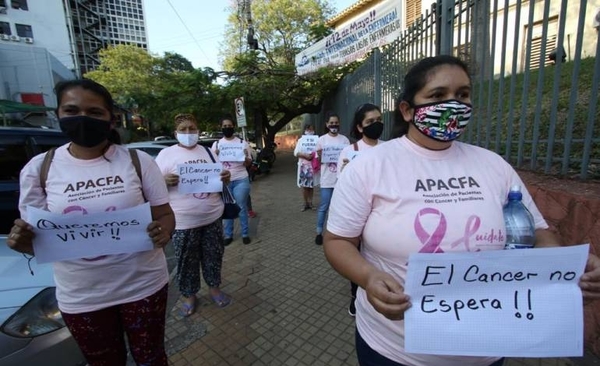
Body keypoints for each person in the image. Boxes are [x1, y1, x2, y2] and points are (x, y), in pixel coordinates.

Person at [323, 55, 600, 366]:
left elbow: (538, 233)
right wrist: (368, 276)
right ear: (407, 109)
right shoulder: (370, 167)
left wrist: (565, 268)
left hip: (489, 347)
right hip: (395, 350)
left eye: (463, 95)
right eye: (438, 95)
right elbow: (337, 242)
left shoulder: (493, 165)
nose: (453, 104)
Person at [6, 79, 175, 366]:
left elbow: (165, 214)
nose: (82, 119)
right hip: (82, 297)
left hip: (144, 286)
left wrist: (165, 232)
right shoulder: (38, 169)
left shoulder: (138, 161)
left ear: (111, 119)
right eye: (71, 110)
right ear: (58, 114)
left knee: (152, 358)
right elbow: (39, 242)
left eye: (94, 112)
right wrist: (23, 243)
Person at [154, 113, 232, 316]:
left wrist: (226, 177)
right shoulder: (165, 155)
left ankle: (214, 288)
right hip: (182, 222)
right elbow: (151, 187)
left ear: (197, 130)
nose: (188, 133)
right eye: (183, 129)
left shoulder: (208, 151)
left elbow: (222, 177)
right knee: (186, 260)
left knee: (214, 255)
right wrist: (163, 181)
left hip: (212, 217)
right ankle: (189, 295)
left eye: (191, 129)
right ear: (176, 132)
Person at [336, 103, 385, 317]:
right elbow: (341, 185)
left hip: (382, 213)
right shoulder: (349, 151)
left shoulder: (388, 148)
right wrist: (347, 174)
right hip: (358, 215)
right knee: (357, 258)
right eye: (370, 122)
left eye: (379, 120)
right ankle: (356, 296)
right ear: (359, 127)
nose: (376, 124)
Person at [212, 116, 254, 245]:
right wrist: (216, 155)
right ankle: (228, 235)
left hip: (240, 179)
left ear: (233, 126)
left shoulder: (242, 143)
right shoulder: (217, 144)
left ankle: (245, 233)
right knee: (227, 207)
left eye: (229, 126)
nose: (227, 128)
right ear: (221, 128)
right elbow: (212, 165)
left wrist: (245, 158)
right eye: (224, 126)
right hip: (224, 182)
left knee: (241, 207)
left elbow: (248, 164)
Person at [315, 112, 349, 245]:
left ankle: (339, 233)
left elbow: (348, 158)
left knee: (339, 208)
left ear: (339, 124)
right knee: (324, 206)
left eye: (336, 123)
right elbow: (316, 161)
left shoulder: (344, 140)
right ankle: (319, 232)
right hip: (326, 180)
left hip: (341, 180)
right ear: (327, 124)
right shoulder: (321, 140)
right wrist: (320, 155)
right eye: (331, 123)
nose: (334, 125)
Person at [294, 121, 320, 211]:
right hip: (303, 167)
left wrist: (314, 154)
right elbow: (296, 152)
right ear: (305, 130)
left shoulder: (317, 140)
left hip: (312, 166)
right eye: (308, 129)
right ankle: (305, 203)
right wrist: (304, 155)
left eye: (312, 129)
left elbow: (319, 151)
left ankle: (310, 202)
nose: (310, 131)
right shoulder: (301, 140)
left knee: (311, 186)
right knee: (305, 186)